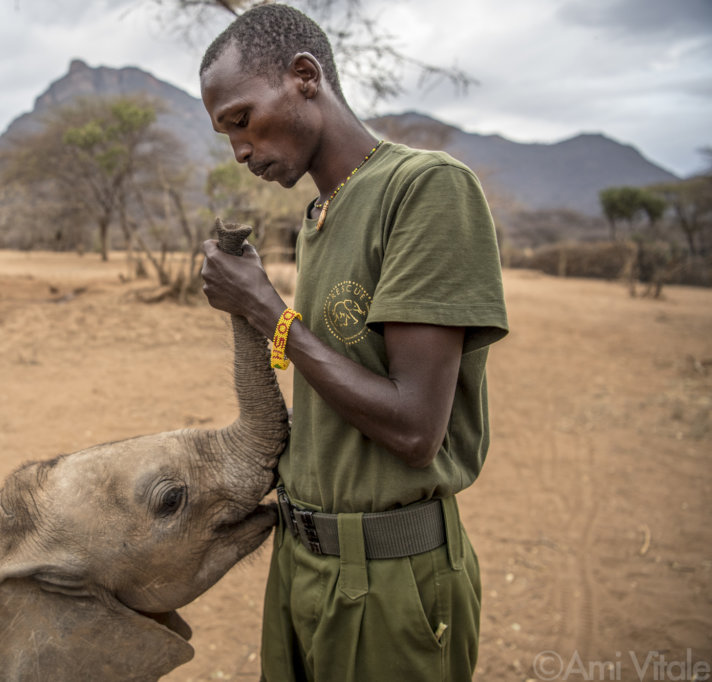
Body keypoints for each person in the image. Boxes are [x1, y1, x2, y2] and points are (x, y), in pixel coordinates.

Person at [198, 5, 508, 681]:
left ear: (304, 77)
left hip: (392, 581)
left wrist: (267, 311)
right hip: (302, 566)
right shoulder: (320, 216)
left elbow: (415, 426)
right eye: (227, 136)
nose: (241, 151)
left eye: (241, 120)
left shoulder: (424, 188)